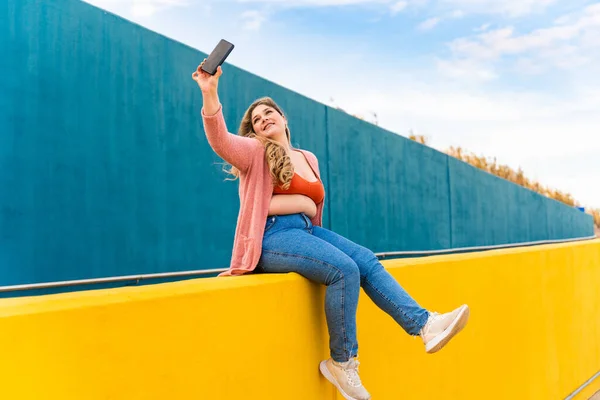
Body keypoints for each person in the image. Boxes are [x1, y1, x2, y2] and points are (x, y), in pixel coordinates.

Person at [192, 60, 469, 400]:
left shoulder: (308, 157)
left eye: (268, 113)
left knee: (365, 260)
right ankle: (342, 362)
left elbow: (311, 207)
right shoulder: (254, 151)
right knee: (344, 270)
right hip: (273, 238)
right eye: (256, 120)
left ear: (283, 118)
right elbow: (220, 140)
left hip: (306, 234)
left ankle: (425, 325)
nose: (263, 119)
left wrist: (305, 209)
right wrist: (210, 92)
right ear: (255, 131)